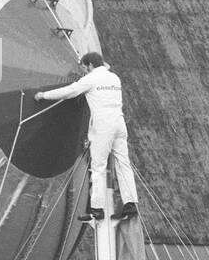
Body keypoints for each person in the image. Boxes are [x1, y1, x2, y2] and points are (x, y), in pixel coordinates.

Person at [34, 51, 138, 220]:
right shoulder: (114, 78)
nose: (84, 72)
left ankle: (97, 208)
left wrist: (43, 95)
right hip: (119, 123)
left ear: (90, 66)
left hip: (103, 126)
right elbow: (105, 68)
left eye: (84, 68)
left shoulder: (91, 79)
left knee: (98, 166)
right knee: (123, 163)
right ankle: (130, 202)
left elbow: (69, 91)